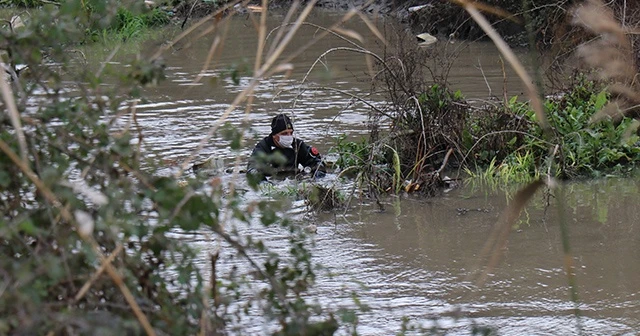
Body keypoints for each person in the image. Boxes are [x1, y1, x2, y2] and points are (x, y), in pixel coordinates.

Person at [247, 114, 326, 180]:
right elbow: (252, 169)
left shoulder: (297, 145)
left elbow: (317, 163)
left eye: (291, 133)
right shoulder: (264, 147)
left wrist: (316, 179)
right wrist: (265, 184)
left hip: (293, 180)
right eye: (284, 133)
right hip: (270, 181)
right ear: (275, 136)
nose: (289, 136)